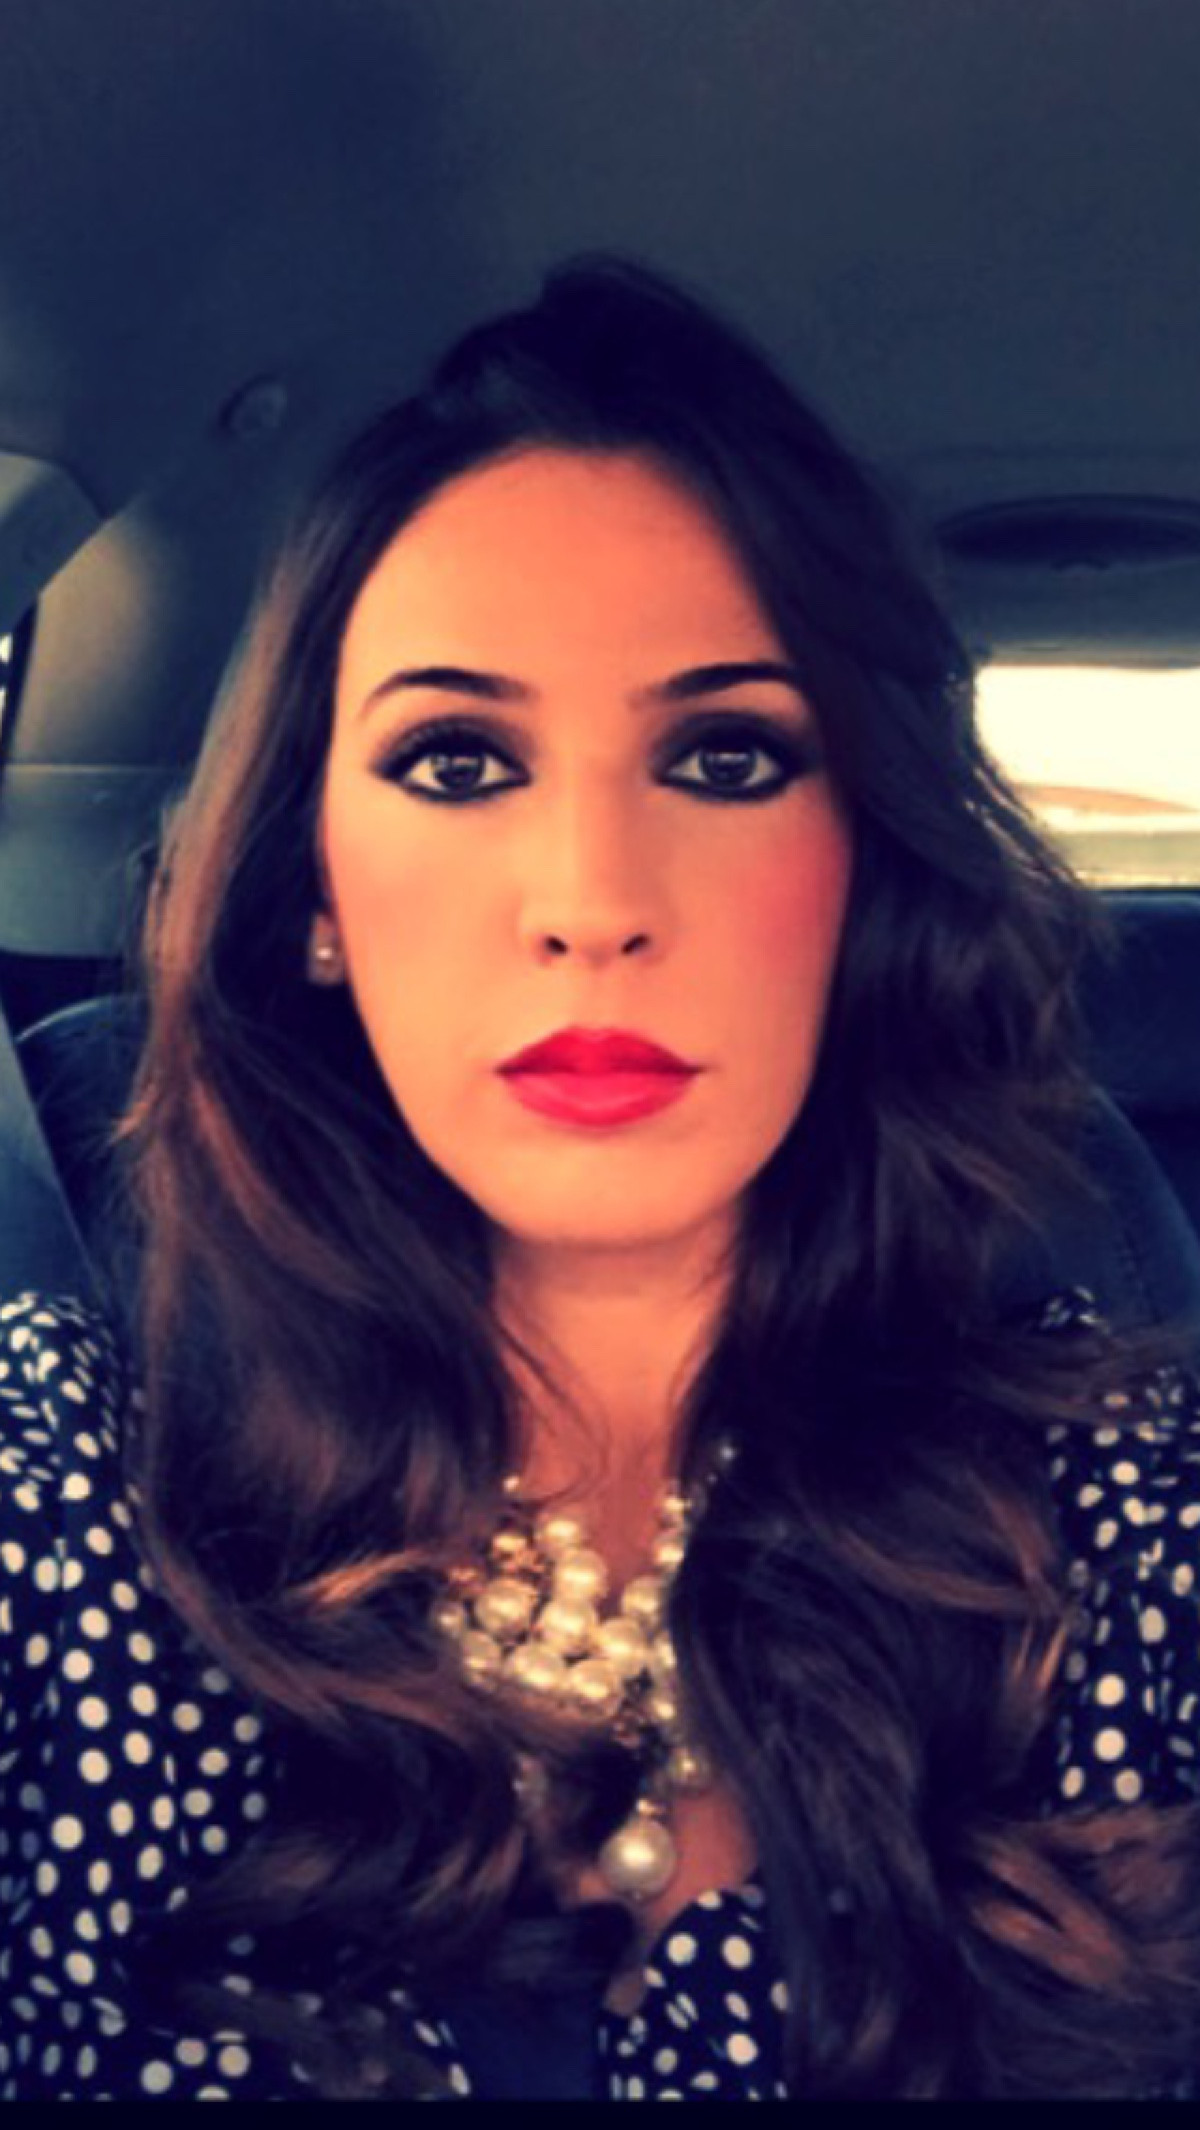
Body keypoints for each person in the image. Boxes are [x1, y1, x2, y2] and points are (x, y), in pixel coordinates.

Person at [1, 256, 1199, 2103]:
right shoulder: (80, 1502)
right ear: (316, 895)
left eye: (725, 755)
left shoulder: (1118, 1517)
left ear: (863, 872)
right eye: (456, 759)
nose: (592, 902)